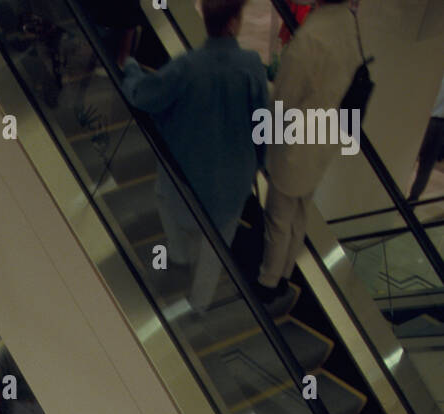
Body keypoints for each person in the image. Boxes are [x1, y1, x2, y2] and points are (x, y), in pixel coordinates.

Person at [120, 0, 268, 312]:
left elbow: (144, 95)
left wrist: (131, 67)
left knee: (164, 198)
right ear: (233, 23)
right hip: (233, 181)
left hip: (186, 176)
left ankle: (179, 257)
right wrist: (258, 163)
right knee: (215, 249)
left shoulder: (187, 66)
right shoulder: (252, 66)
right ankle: (198, 305)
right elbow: (262, 125)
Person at [256, 0, 365, 305]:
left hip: (298, 138)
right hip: (327, 133)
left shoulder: (311, 37)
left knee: (279, 213)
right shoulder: (347, 23)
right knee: (301, 209)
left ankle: (269, 279)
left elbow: (285, 98)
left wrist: (263, 132)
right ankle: (287, 270)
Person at [409, 74, 444, 202]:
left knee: (408, 156)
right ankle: (413, 200)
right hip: (441, 125)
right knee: (426, 166)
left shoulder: (436, 74)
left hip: (427, 119)